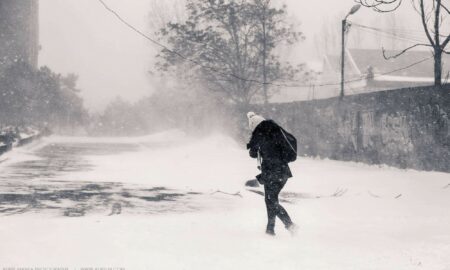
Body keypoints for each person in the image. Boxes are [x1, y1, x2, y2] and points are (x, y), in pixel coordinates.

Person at [246, 112, 297, 236]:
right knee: (271, 200)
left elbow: (252, 154)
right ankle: (270, 229)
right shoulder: (275, 131)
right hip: (283, 172)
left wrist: (253, 142)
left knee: (271, 201)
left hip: (271, 172)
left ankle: (290, 225)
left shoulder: (260, 135)